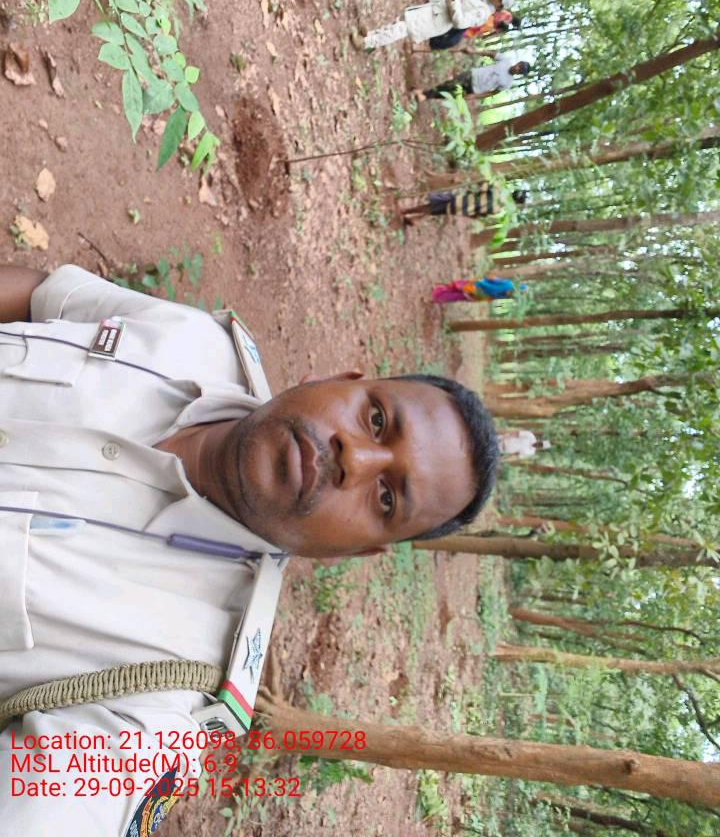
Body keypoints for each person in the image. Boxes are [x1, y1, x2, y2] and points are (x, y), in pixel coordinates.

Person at [0, 263, 499, 834]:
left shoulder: (163, 693)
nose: (355, 458)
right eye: (377, 418)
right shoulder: (195, 340)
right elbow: (42, 295)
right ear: (336, 377)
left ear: (351, 553)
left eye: (386, 498)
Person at [355, 0, 515, 52]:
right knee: (399, 22)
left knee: (402, 29)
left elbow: (460, 22)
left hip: (436, 22)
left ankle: (367, 43)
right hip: (434, 10)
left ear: (499, 5)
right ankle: (371, 36)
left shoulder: (483, 13)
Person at [414, 51, 530, 102]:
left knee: (452, 95)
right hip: (473, 74)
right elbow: (490, 54)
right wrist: (474, 51)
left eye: (520, 71)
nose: (517, 69)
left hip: (475, 88)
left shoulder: (508, 83)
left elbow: (491, 93)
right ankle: (425, 94)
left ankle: (426, 95)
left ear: (519, 74)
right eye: (519, 66)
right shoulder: (506, 60)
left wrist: (474, 96)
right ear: (518, 63)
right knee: (449, 84)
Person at [402, 187, 528, 226]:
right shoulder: (498, 209)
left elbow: (482, 187)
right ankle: (413, 218)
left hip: (461, 200)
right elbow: (479, 215)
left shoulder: (497, 191)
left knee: (432, 206)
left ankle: (409, 213)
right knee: (435, 210)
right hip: (461, 209)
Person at [427, 10, 520, 51]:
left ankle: (433, 40)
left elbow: (479, 31)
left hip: (468, 29)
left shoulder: (492, 26)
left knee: (451, 36)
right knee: (451, 39)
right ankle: (433, 41)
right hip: (467, 25)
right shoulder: (493, 20)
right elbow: (478, 27)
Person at [431, 273, 527, 303]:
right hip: (480, 296)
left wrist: (487, 277)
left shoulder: (509, 284)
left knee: (457, 286)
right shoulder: (509, 295)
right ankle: (437, 298)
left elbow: (493, 279)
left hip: (478, 286)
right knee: (458, 296)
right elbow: (493, 298)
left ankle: (437, 290)